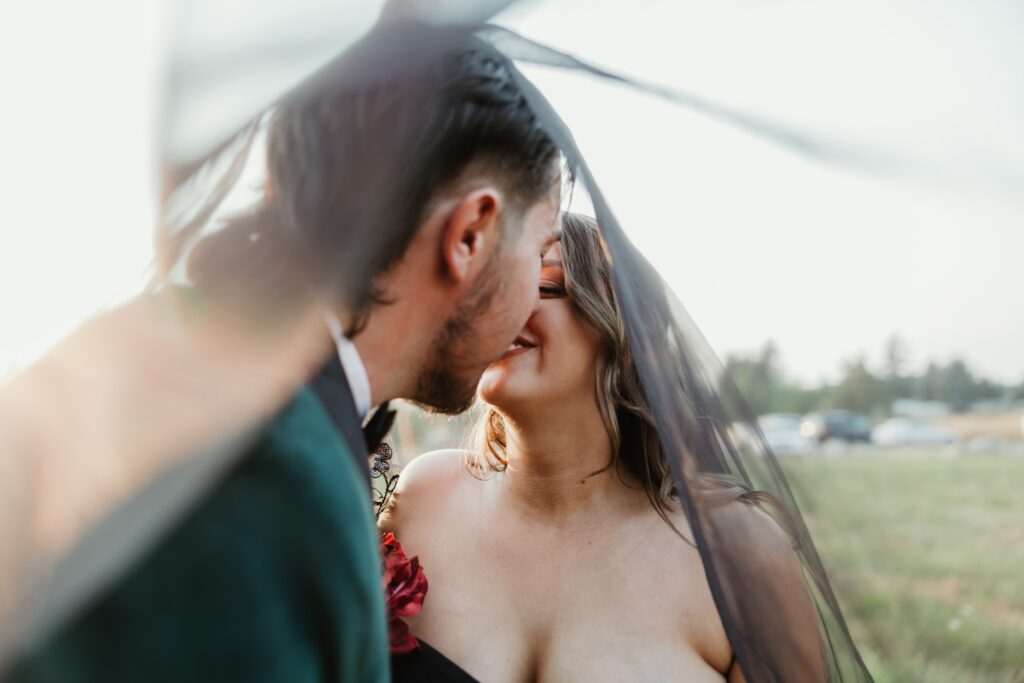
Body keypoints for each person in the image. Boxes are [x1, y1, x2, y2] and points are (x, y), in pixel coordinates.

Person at [5, 29, 561, 682]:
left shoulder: (153, 342)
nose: (532, 301)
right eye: (542, 250)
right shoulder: (276, 476)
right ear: (470, 234)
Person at [380, 213, 826, 682]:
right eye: (487, 287)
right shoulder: (422, 498)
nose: (498, 308)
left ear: (629, 333)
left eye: (543, 282)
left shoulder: (736, 554)